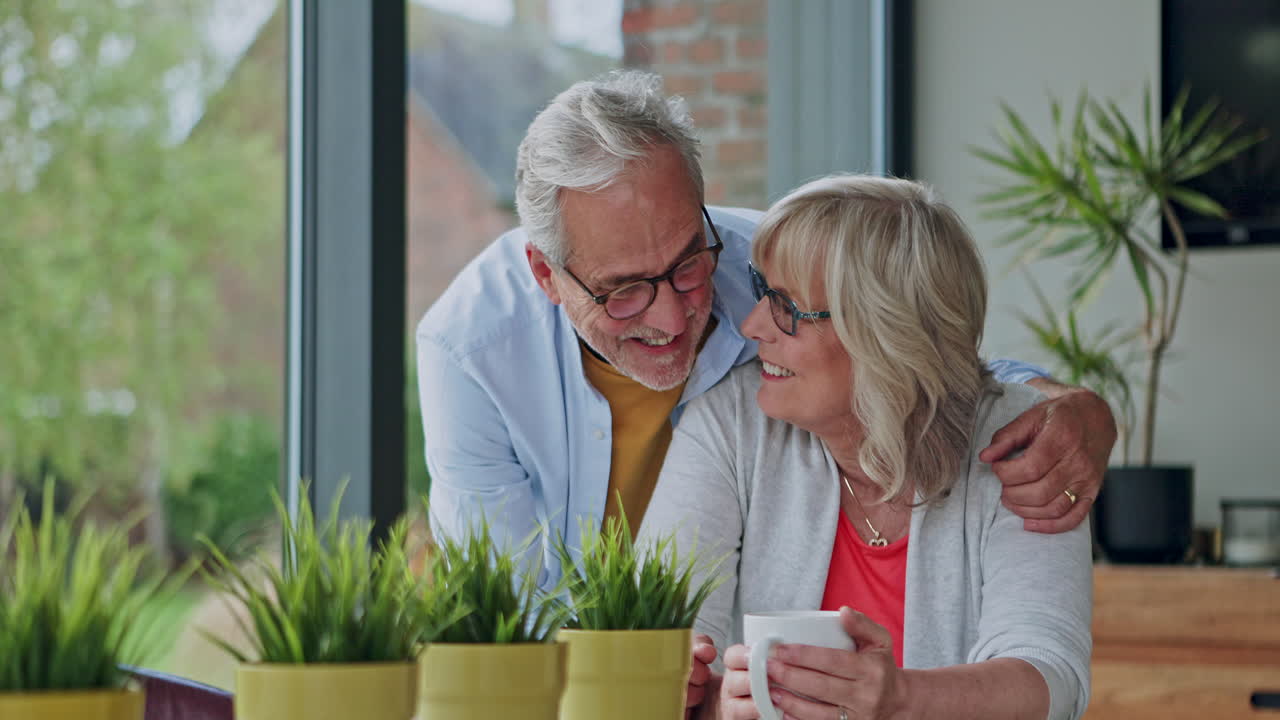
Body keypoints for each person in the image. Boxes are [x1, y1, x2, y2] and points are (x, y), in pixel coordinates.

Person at [416, 70, 1110, 591]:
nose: (671, 318)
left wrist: (1077, 410)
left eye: (687, 263)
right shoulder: (470, 350)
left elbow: (921, 355)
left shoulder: (765, 265)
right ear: (546, 273)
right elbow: (511, 603)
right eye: (624, 291)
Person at [638, 174, 1093, 720]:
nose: (753, 325)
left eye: (786, 306)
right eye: (762, 293)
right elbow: (661, 641)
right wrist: (710, 702)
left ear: (884, 334)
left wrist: (900, 699)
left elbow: (1049, 677)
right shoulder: (729, 422)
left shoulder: (1019, 441)